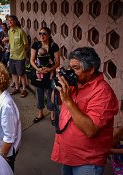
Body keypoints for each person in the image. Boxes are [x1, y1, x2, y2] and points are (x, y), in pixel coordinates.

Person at [51, 47, 119, 175]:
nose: (71, 72)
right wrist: (58, 84)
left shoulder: (103, 92)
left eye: (76, 68)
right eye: (70, 68)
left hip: (87, 160)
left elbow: (91, 130)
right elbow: (55, 101)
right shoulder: (74, 82)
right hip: (68, 153)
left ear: (91, 69)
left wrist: (68, 101)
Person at [30, 27, 60, 124]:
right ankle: (40, 113)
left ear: (49, 35)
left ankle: (52, 115)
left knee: (50, 94)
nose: (41, 36)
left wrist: (50, 69)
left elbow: (57, 62)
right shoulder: (36, 45)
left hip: (50, 72)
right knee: (39, 94)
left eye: (44, 34)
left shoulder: (54, 46)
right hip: (39, 73)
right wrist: (38, 69)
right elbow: (32, 60)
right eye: (40, 33)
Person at [6, 15, 29, 98]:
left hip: (20, 57)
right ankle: (16, 88)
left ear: (15, 21)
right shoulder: (9, 31)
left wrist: (21, 52)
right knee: (13, 73)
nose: (9, 22)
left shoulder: (21, 31)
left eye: (11, 20)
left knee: (21, 74)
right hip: (12, 56)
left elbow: (26, 45)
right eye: (8, 20)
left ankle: (24, 89)